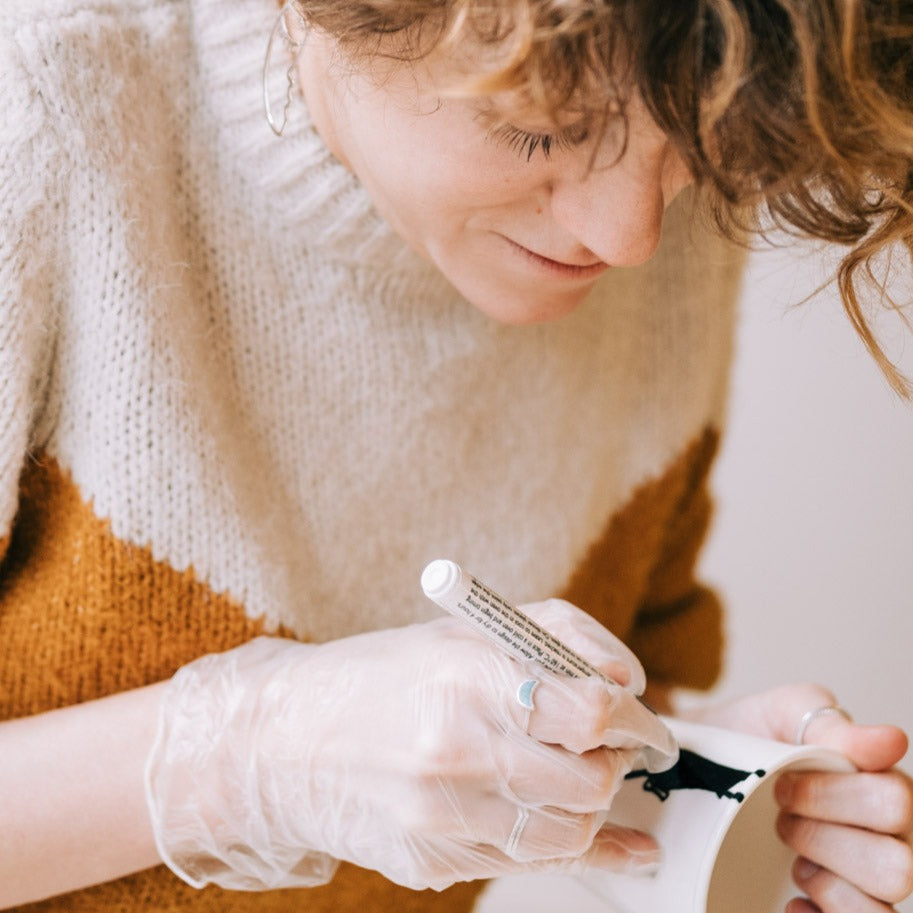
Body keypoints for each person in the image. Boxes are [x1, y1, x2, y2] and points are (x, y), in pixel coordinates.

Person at [1, 0, 911, 912]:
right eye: (542, 131)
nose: (626, 238)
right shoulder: (41, 112)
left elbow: (563, 701)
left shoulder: (673, 177)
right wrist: (251, 757)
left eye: (691, 146)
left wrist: (685, 784)